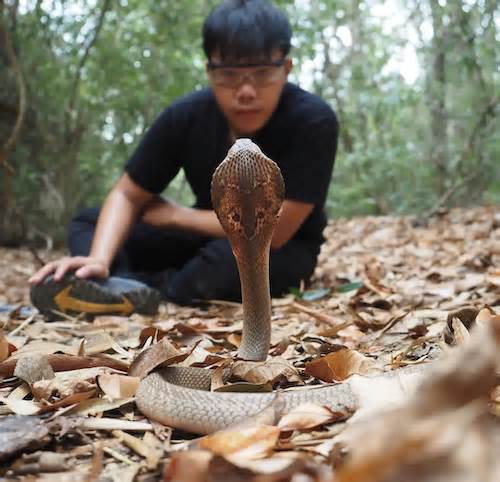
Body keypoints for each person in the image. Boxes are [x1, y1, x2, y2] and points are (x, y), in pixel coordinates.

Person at [29, 0, 338, 317]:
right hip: (203, 235)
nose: (246, 91)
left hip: (281, 248)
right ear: (209, 71)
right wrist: (99, 257)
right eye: (229, 74)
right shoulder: (185, 116)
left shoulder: (313, 121)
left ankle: (137, 289)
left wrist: (177, 216)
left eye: (262, 73)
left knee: (220, 270)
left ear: (286, 69)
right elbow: (126, 194)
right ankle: (107, 279)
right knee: (90, 222)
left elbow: (280, 228)